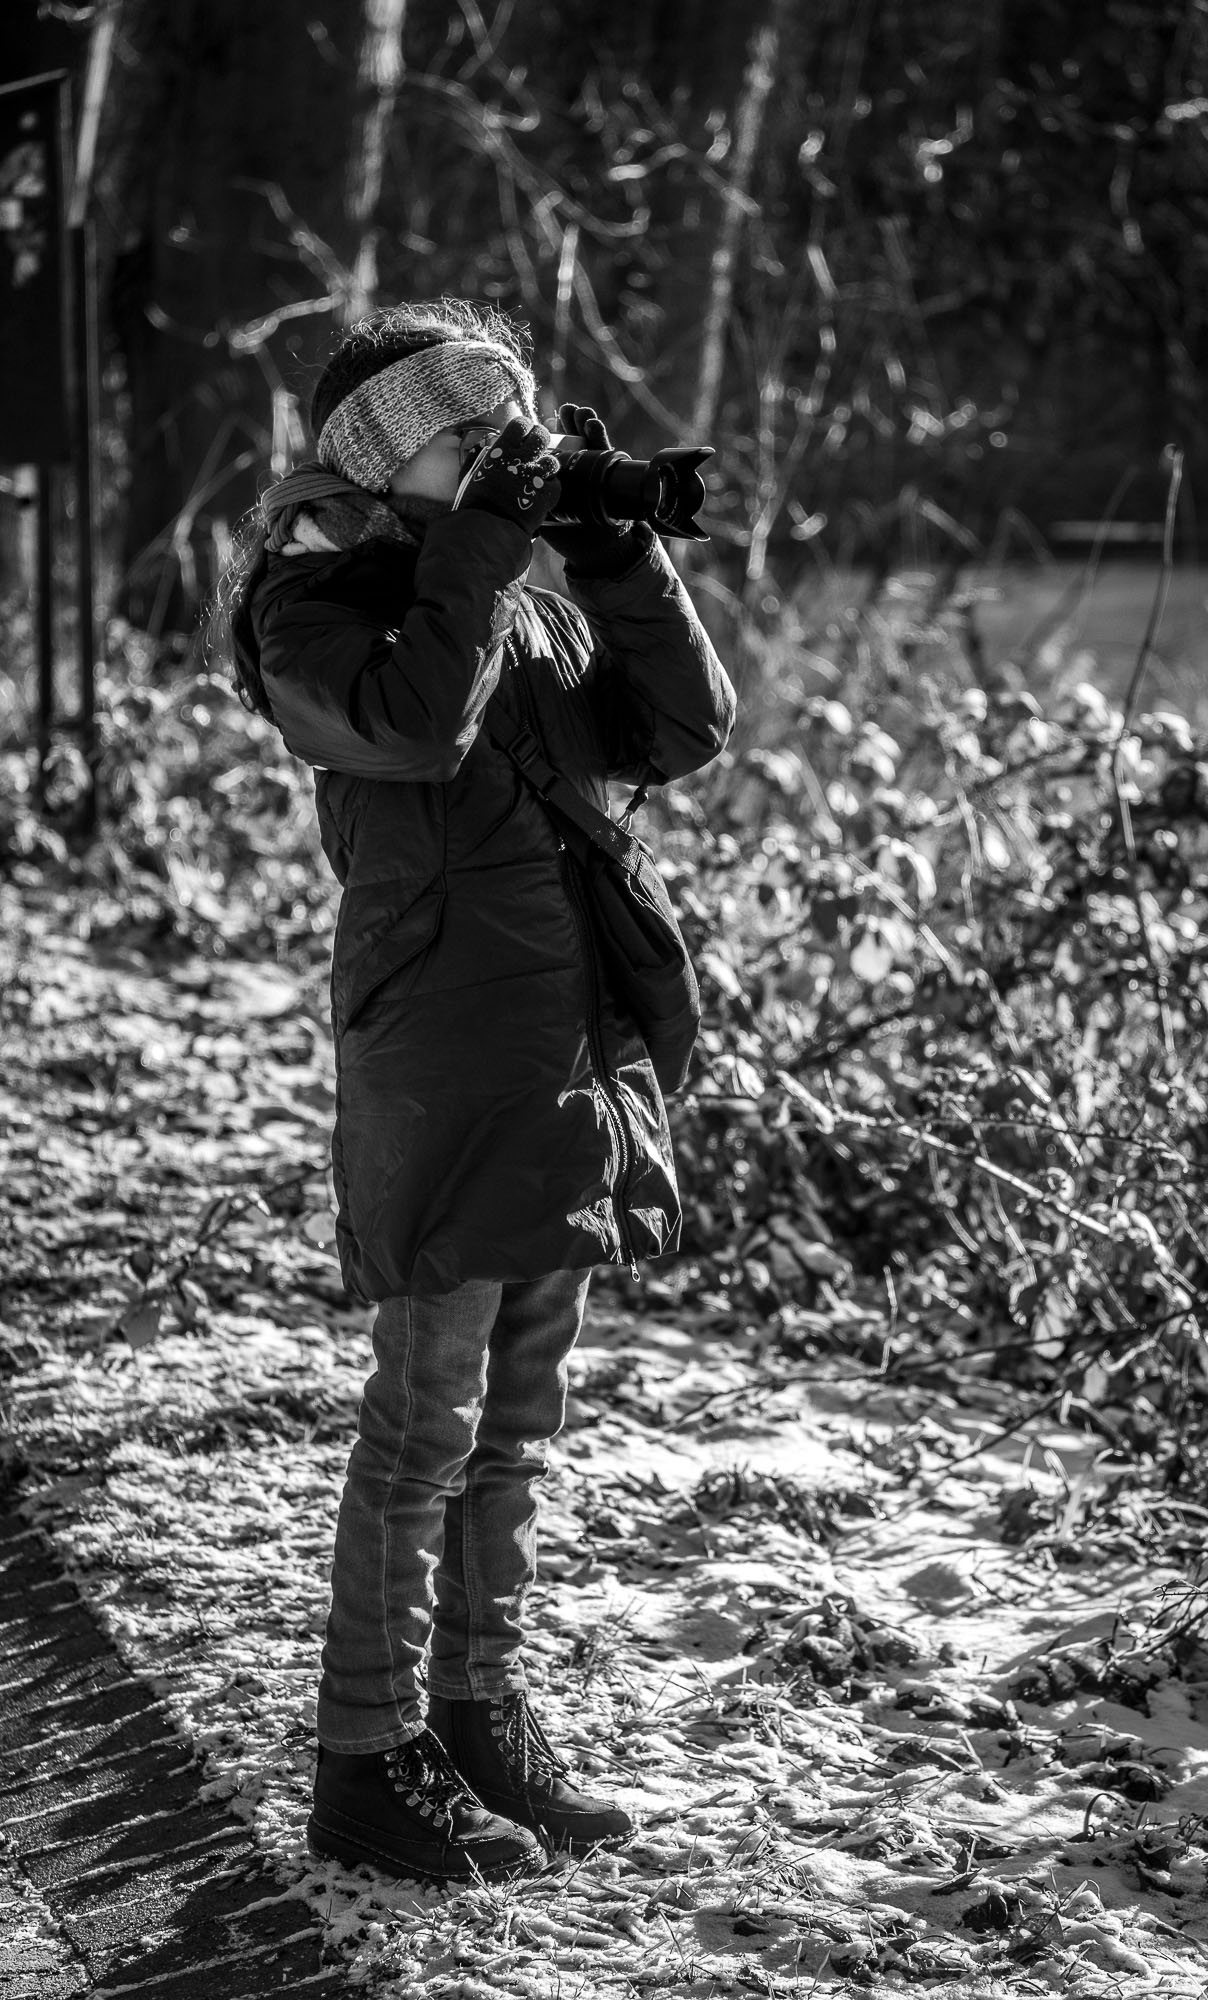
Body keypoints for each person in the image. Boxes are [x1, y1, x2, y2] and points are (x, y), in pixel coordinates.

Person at [223, 298, 735, 1887]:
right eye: (477, 435)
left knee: (516, 1422)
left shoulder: (513, 597)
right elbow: (411, 727)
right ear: (389, 459)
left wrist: (610, 554)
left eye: (516, 427)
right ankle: (363, 1756)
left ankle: (477, 1714)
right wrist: (485, 549)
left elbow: (683, 731)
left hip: (566, 1049)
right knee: (422, 1428)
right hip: (443, 1059)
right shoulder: (314, 607)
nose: (510, 453)